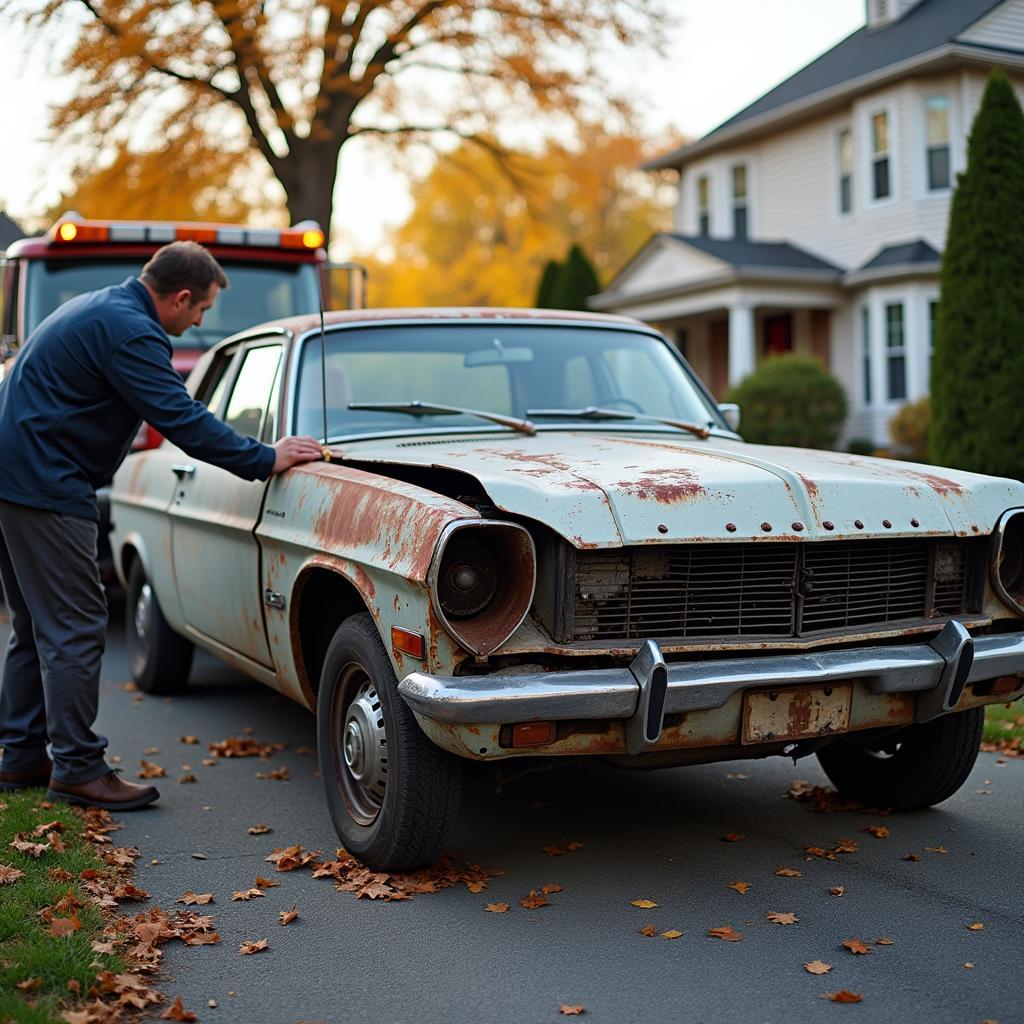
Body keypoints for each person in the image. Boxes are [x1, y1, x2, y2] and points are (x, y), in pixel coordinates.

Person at [0, 241, 324, 810]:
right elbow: (181, 418)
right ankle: (78, 766)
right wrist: (264, 458)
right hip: (45, 482)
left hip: (14, 476)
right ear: (178, 298)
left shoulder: (99, 306)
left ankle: (22, 754)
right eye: (200, 310)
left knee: (36, 624)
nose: (199, 321)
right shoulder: (132, 329)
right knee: (75, 626)